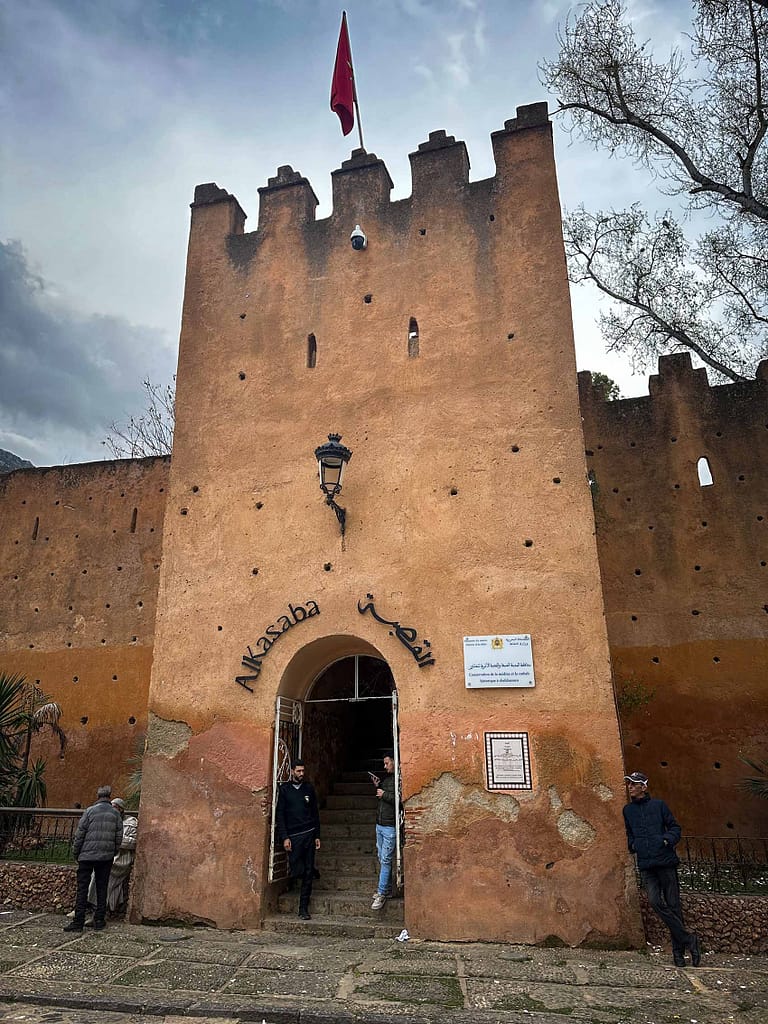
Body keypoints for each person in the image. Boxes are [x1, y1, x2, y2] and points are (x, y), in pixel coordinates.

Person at [622, 771, 701, 967]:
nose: (630, 787)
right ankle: (689, 939)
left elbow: (675, 827)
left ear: (643, 787)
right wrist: (633, 845)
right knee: (655, 901)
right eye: (629, 784)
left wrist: (666, 840)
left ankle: (678, 953)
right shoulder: (628, 810)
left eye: (634, 784)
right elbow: (630, 833)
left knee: (674, 906)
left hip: (665, 862)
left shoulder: (658, 806)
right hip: (647, 864)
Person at [64, 785, 123, 933]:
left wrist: (76, 853)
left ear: (98, 797)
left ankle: (78, 921)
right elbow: (118, 836)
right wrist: (113, 852)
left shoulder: (89, 811)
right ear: (109, 797)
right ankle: (99, 920)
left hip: (87, 856)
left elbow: (80, 834)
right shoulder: (115, 815)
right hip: (106, 857)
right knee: (102, 888)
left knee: (82, 888)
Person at [275, 759, 320, 920]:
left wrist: (317, 835)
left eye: (303, 771)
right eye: (298, 771)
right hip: (293, 836)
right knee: (297, 869)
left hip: (309, 832)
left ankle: (303, 908)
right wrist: (284, 837)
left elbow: (315, 813)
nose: (301, 774)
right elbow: (280, 814)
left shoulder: (308, 788)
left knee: (307, 872)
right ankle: (311, 871)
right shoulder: (285, 790)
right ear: (292, 771)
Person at [85, 798, 138, 916]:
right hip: (106, 856)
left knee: (105, 876)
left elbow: (133, 842)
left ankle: (97, 910)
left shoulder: (131, 822)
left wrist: (114, 840)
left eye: (115, 808)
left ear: (120, 810)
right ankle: (92, 907)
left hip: (121, 860)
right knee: (95, 874)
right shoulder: (108, 821)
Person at [370, 752, 396, 911]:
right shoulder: (387, 780)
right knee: (382, 858)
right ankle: (388, 889)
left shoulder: (399, 779)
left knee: (385, 860)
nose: (385, 766)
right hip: (380, 824)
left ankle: (381, 893)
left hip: (389, 826)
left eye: (387, 763)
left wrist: (384, 794)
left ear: (394, 762)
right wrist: (378, 786)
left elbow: (399, 799)